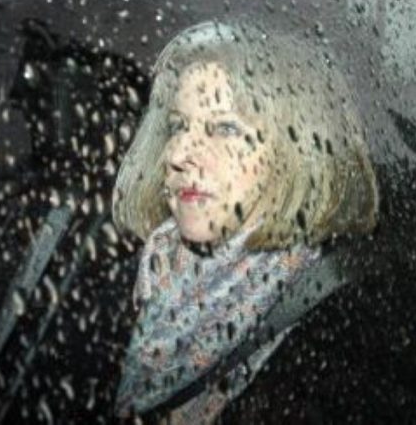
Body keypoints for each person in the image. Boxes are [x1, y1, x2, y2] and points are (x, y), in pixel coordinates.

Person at [111, 22, 378, 421]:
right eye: (178, 126)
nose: (180, 153)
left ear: (298, 152)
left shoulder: (347, 336)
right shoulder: (143, 275)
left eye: (224, 129)